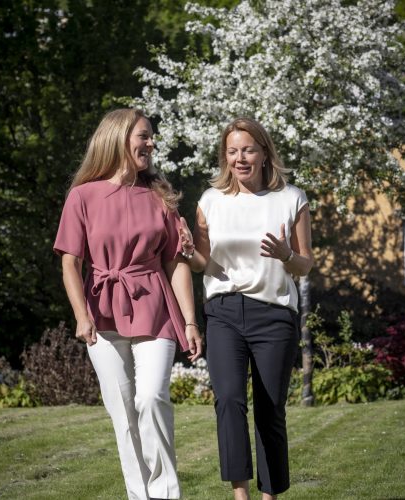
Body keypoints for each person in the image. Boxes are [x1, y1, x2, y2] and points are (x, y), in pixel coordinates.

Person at [53, 108, 203, 500]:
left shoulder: (159, 196)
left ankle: (168, 494)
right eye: (144, 136)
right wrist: (81, 316)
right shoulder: (82, 196)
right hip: (101, 310)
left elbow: (176, 262)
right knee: (123, 412)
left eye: (151, 136)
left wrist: (190, 321)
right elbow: (70, 262)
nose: (151, 143)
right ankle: (141, 496)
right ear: (119, 139)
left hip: (154, 304)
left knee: (151, 396)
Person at [179, 117, 314, 500]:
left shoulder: (292, 199)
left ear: (264, 153)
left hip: (274, 314)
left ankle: (269, 495)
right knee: (229, 399)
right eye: (233, 151)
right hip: (223, 311)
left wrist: (287, 254)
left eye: (248, 150)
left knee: (270, 408)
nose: (240, 158)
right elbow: (203, 262)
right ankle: (240, 494)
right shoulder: (210, 200)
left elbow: (305, 265)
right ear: (226, 156)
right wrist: (189, 254)